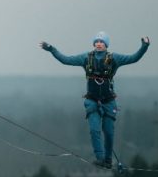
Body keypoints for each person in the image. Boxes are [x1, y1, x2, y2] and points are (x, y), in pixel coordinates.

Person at [40, 32, 150, 169]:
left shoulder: (114, 58)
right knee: (94, 130)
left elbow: (134, 58)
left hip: (109, 101)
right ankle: (100, 158)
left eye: (102, 42)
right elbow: (65, 60)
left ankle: (108, 160)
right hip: (92, 100)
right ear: (93, 44)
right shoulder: (86, 58)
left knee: (109, 132)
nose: (99, 44)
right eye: (96, 41)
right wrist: (52, 49)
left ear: (106, 45)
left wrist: (144, 46)